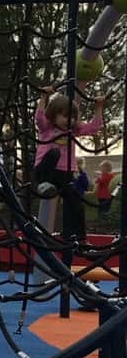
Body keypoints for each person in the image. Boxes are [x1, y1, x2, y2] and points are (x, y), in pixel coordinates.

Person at [33, 85, 104, 245]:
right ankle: (44, 184)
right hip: (45, 170)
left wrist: (98, 107)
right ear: (54, 115)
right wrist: (44, 98)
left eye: (72, 117)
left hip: (64, 174)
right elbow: (39, 118)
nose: (69, 120)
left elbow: (94, 127)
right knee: (54, 153)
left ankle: (82, 238)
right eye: (65, 116)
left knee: (76, 204)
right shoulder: (47, 128)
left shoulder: (73, 131)